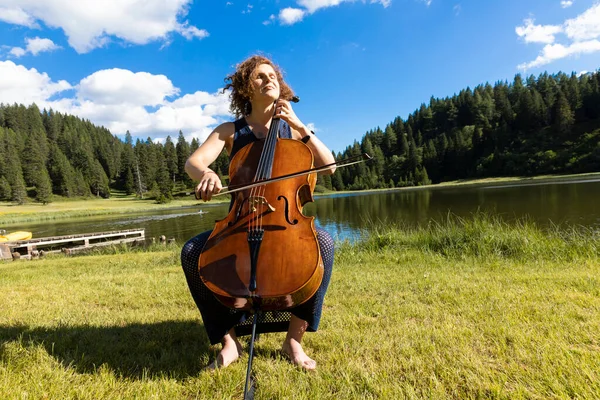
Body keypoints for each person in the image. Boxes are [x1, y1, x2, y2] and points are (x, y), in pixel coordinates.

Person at [181, 55, 336, 371]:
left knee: (325, 246)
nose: (269, 81)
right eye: (259, 77)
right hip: (241, 222)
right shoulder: (230, 131)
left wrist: (300, 126)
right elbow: (193, 163)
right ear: (245, 89)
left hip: (286, 221)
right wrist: (206, 175)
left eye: (273, 77)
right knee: (192, 252)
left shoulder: (294, 132)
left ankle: (293, 340)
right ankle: (229, 341)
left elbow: (329, 166)